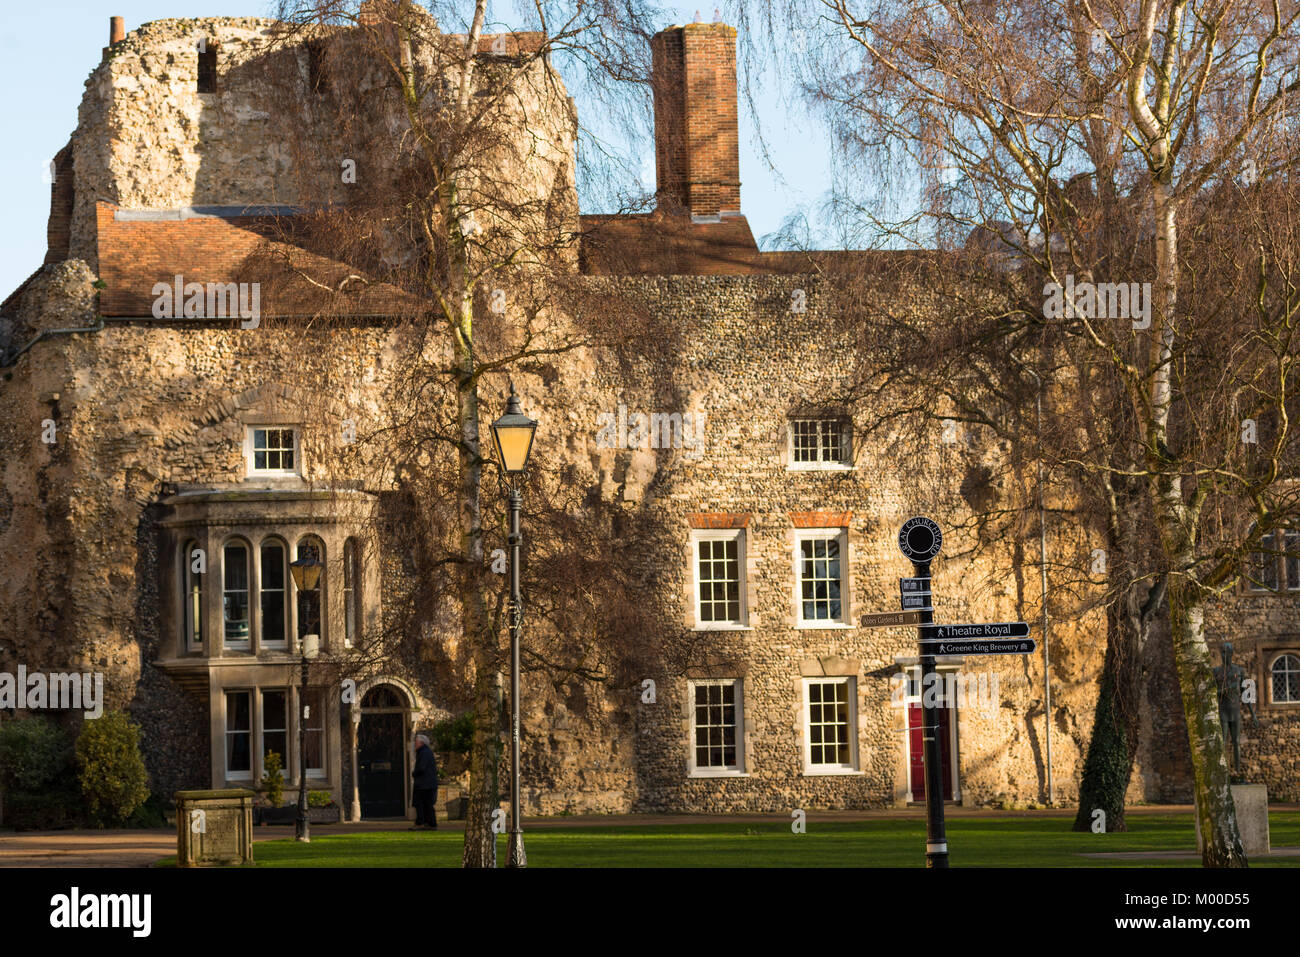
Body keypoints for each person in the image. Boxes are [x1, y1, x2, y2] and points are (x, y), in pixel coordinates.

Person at [411, 733, 439, 830]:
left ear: (421, 743)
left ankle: (422, 822)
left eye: (416, 742)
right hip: (428, 784)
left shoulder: (423, 752)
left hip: (424, 784)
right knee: (427, 804)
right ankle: (430, 823)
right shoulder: (426, 752)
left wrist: (414, 773)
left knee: (421, 804)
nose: (415, 744)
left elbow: (421, 767)